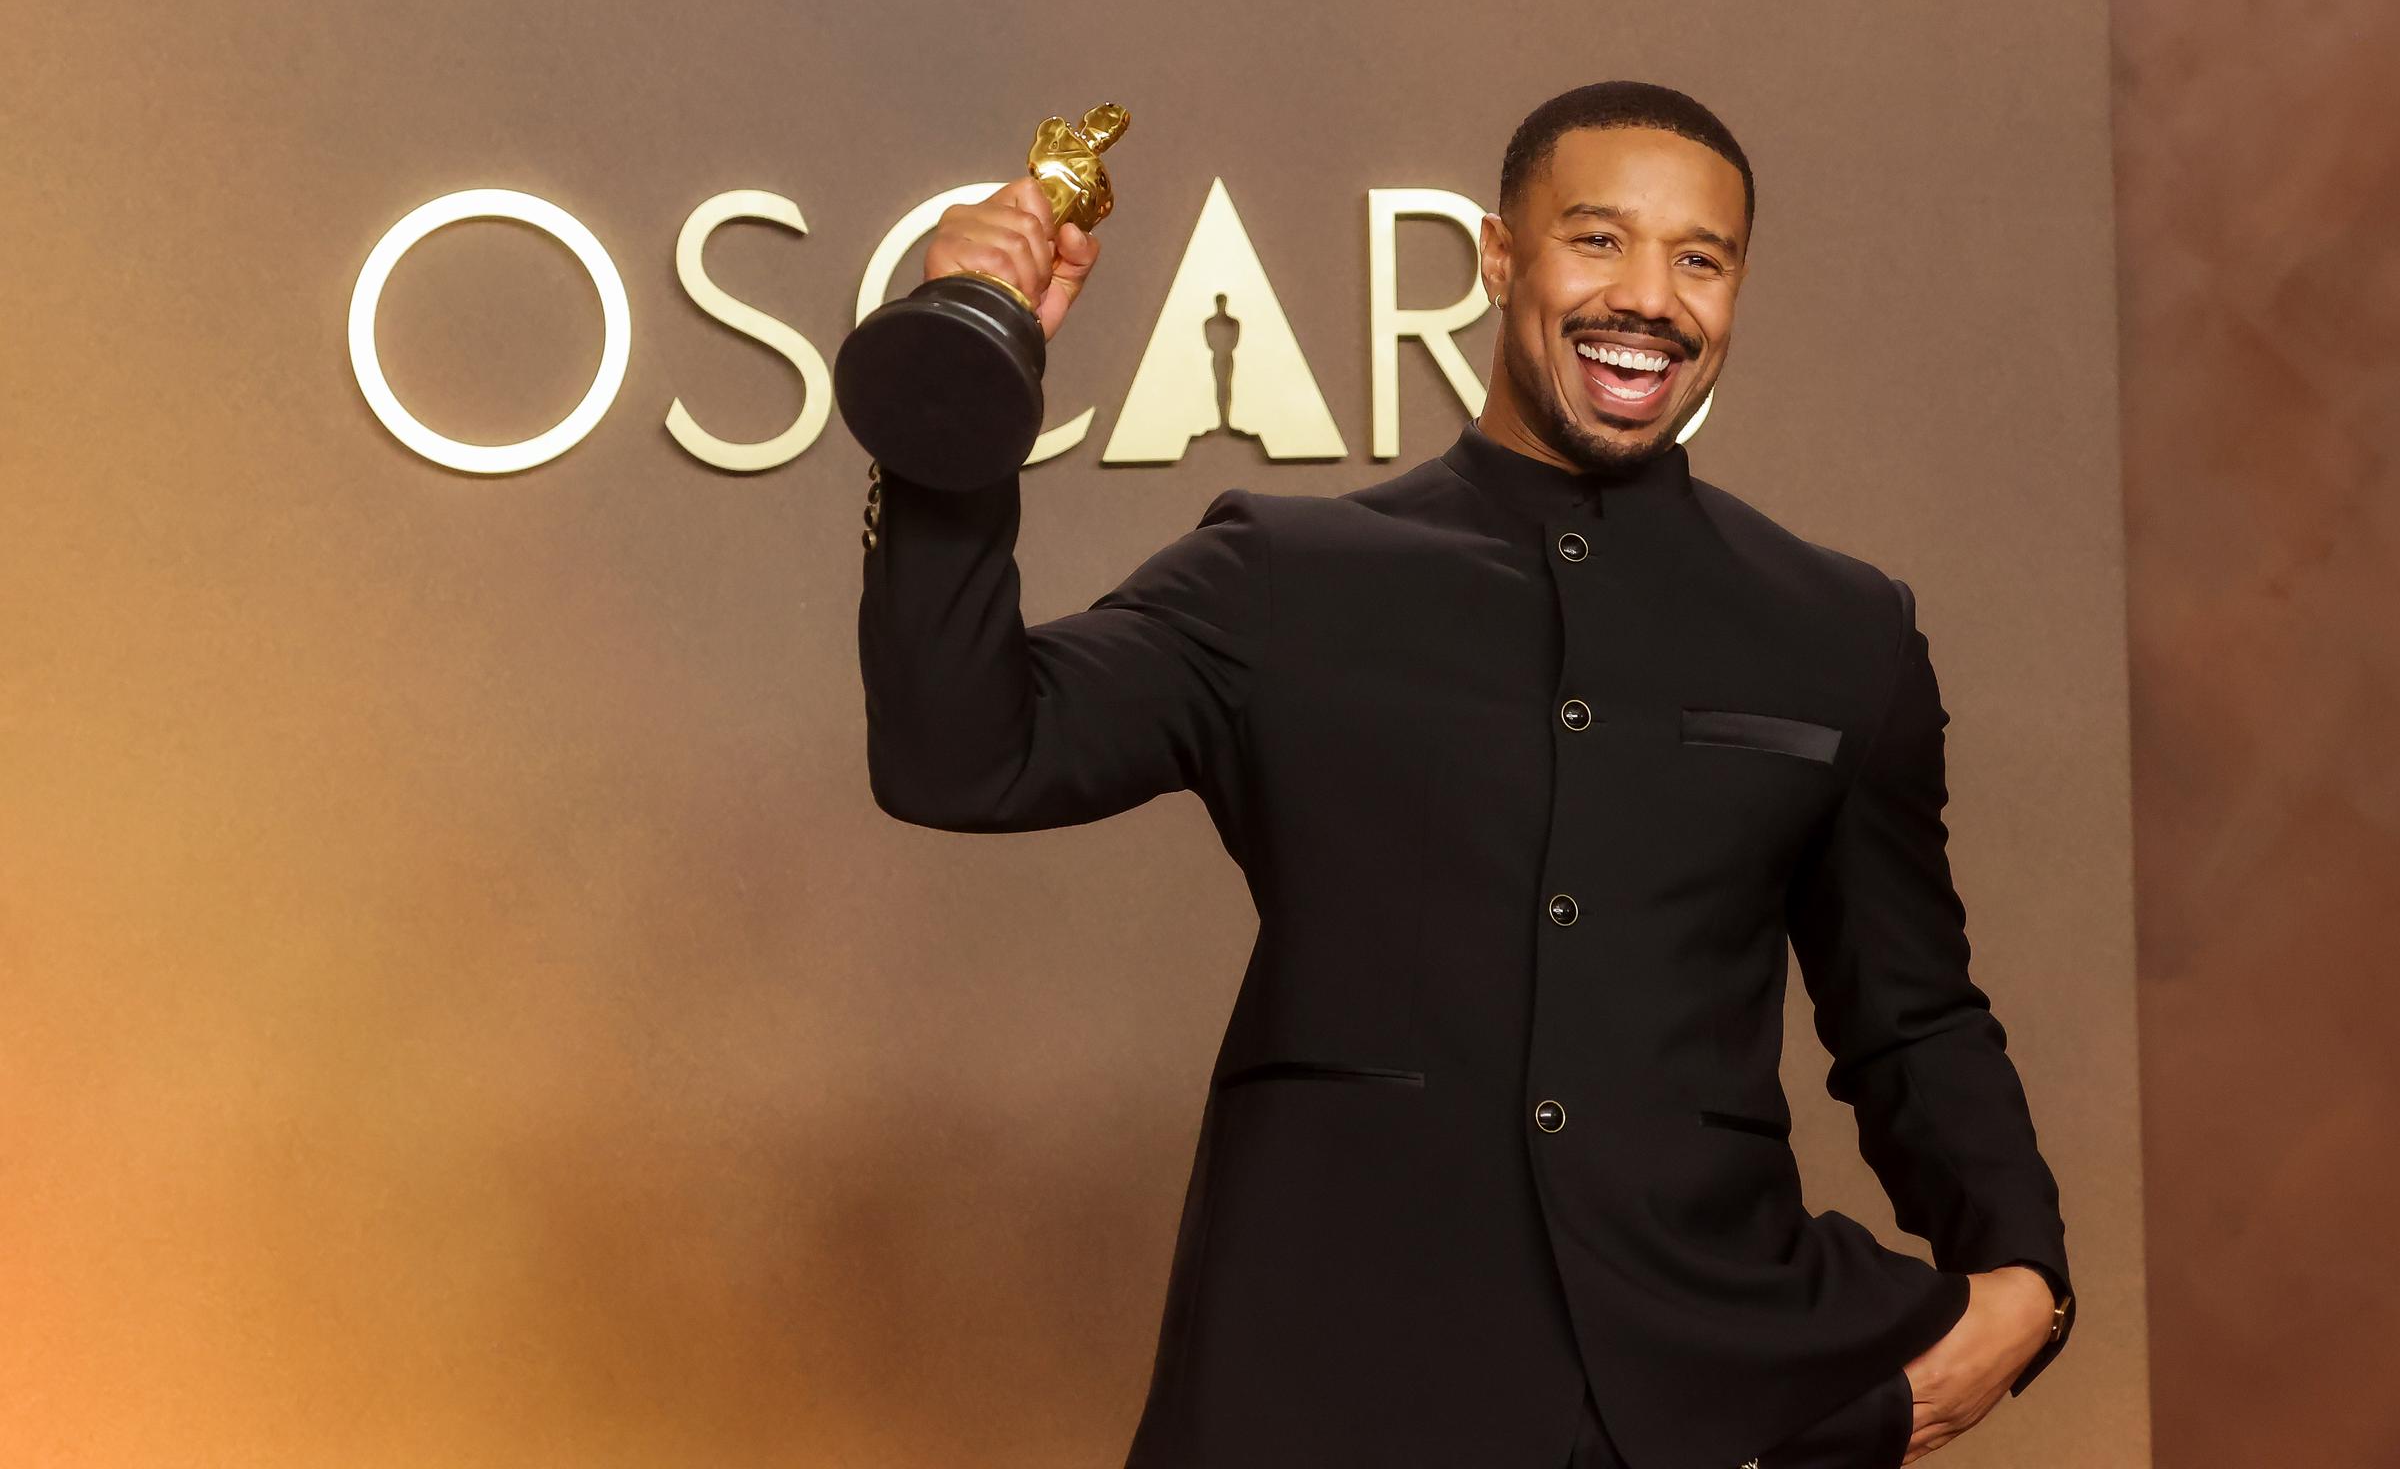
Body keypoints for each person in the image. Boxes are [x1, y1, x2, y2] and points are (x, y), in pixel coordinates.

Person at [854, 80, 2074, 1469]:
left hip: (1697, 1396)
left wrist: (2023, 1280)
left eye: (1700, 258)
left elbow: (1912, 1016)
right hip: (1320, 1391)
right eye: (1598, 240)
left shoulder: (1843, 630)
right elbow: (963, 757)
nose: (1650, 297)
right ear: (1499, 259)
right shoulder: (1282, 577)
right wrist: (954, 394)